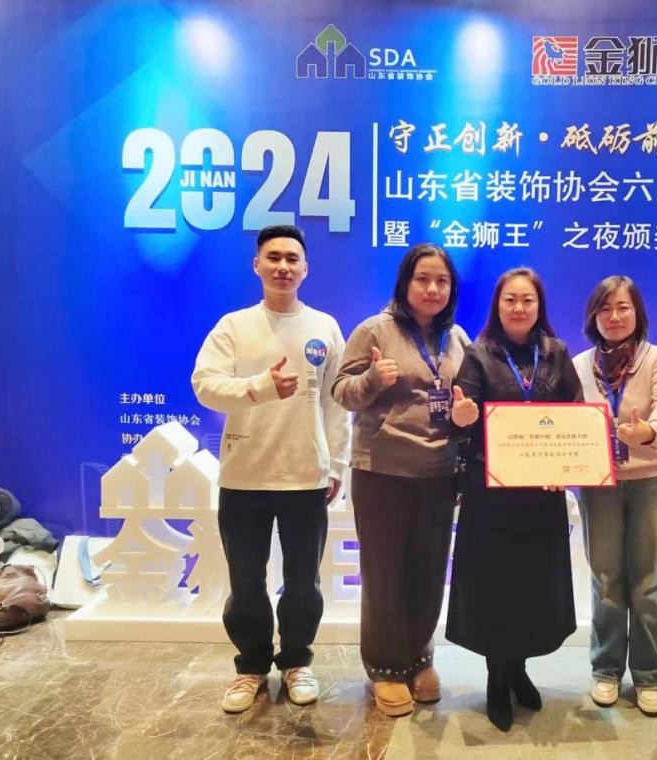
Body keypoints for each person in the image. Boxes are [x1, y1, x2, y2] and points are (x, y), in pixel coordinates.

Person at [192, 224, 350, 713]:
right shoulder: (234, 326)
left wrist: (336, 464)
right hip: (244, 476)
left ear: (305, 269)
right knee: (246, 582)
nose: (283, 266)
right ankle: (252, 667)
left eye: (292, 259)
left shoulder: (324, 327)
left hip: (305, 477)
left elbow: (336, 403)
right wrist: (259, 386)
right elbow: (205, 384)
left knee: (303, 582)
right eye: (274, 257)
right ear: (257, 265)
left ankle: (297, 661)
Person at [331, 243, 469, 717]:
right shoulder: (375, 329)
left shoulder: (457, 338)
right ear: (405, 283)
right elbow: (341, 392)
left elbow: (465, 398)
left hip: (439, 472)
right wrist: (372, 379)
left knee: (429, 571)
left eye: (442, 281)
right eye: (422, 279)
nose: (432, 289)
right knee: (384, 572)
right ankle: (386, 668)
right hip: (383, 471)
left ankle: (419, 658)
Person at [446, 267, 582, 732]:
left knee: (532, 585)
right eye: (510, 300)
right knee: (494, 586)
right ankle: (497, 676)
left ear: (539, 306)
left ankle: (519, 668)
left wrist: (566, 467)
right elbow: (458, 420)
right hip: (491, 492)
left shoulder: (557, 353)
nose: (519, 307)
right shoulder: (478, 355)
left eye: (528, 300)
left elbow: (575, 416)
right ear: (497, 306)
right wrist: (461, 416)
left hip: (542, 493)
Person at [573, 275, 657, 716]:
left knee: (649, 581)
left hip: (652, 479)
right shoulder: (579, 366)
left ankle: (650, 676)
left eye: (623, 308)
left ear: (638, 313)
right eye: (605, 309)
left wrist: (649, 431)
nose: (614, 317)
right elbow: (565, 423)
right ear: (592, 317)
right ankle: (606, 669)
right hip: (599, 483)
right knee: (606, 579)